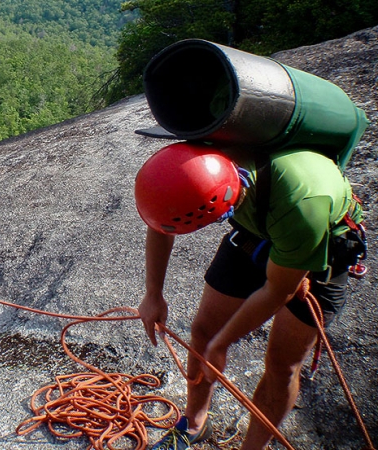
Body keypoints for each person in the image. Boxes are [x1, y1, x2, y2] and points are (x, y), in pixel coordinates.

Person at [134, 142, 365, 449]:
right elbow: (164, 220)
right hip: (255, 226)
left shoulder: (302, 207)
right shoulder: (204, 155)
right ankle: (193, 424)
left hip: (320, 243)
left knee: (282, 366)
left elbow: (278, 290)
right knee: (203, 332)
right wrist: (153, 294)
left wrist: (223, 343)